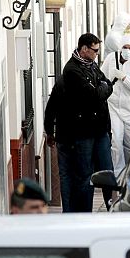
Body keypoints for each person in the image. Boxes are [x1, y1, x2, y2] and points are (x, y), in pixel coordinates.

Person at [49, 33, 113, 213]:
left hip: (100, 130)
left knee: (107, 171)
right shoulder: (71, 70)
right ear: (84, 49)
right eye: (95, 50)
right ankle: (84, 213)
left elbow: (108, 85)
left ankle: (112, 207)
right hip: (82, 133)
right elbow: (93, 96)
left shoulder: (92, 65)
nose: (97, 54)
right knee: (84, 175)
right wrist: (102, 89)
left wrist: (102, 88)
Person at [101, 33, 130, 178]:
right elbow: (101, 78)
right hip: (113, 106)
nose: (127, 50)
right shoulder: (111, 58)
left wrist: (124, 77)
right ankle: (118, 175)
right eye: (124, 47)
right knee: (115, 141)